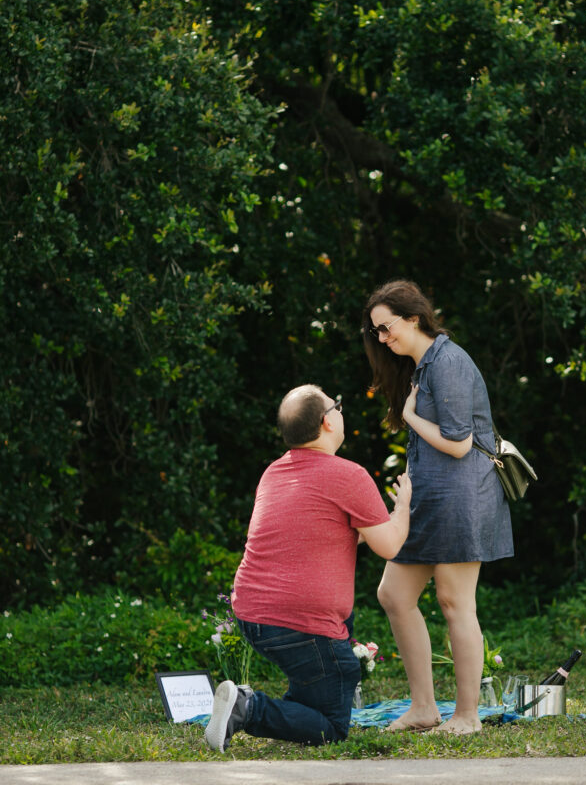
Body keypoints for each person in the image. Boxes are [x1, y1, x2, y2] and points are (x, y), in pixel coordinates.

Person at [204, 383, 412, 751]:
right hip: (298, 622)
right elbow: (390, 545)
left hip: (252, 615)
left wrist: (378, 524)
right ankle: (247, 708)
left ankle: (273, 709)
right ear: (326, 422)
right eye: (338, 406)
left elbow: (323, 534)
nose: (342, 411)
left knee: (324, 679)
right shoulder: (349, 475)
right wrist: (403, 508)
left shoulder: (275, 472)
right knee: (332, 724)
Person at [362, 279, 513, 735]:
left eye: (387, 328)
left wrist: (408, 417)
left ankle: (467, 716)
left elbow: (460, 443)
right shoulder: (422, 366)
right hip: (429, 498)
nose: (383, 339)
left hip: (463, 494)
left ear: (413, 318)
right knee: (393, 594)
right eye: (376, 333)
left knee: (454, 601)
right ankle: (424, 708)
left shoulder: (447, 363)